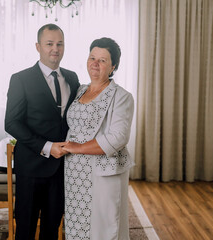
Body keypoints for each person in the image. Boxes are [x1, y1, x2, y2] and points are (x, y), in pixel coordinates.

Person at [5, 24, 80, 240]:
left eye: (59, 44)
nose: (55, 49)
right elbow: (11, 123)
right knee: (26, 228)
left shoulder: (72, 78)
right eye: (49, 44)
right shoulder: (21, 79)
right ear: (38, 47)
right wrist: (47, 147)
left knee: (53, 226)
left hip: (62, 169)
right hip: (31, 166)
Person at [62, 37, 134, 240]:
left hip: (103, 171)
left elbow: (119, 137)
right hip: (74, 171)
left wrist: (78, 147)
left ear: (113, 66)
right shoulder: (79, 90)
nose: (95, 63)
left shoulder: (122, 96)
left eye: (102, 60)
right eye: (92, 57)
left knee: (105, 226)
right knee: (76, 224)